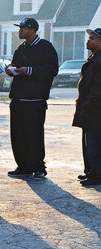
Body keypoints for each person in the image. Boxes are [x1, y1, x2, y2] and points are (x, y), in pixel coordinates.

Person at [5, 18, 58, 180]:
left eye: (22, 28)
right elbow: (15, 64)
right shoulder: (21, 48)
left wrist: (28, 70)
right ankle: (24, 166)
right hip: (18, 99)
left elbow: (51, 70)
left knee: (34, 134)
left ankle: (38, 167)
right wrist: (11, 70)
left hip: (35, 100)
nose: (19, 31)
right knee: (18, 134)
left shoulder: (45, 47)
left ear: (32, 29)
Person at [72, 28, 101, 186]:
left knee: (95, 142)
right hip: (89, 108)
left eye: (93, 38)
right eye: (89, 37)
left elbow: (97, 88)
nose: (88, 40)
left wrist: (89, 103)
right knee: (88, 142)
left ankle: (97, 175)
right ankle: (90, 171)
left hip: (96, 109)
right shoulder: (93, 58)